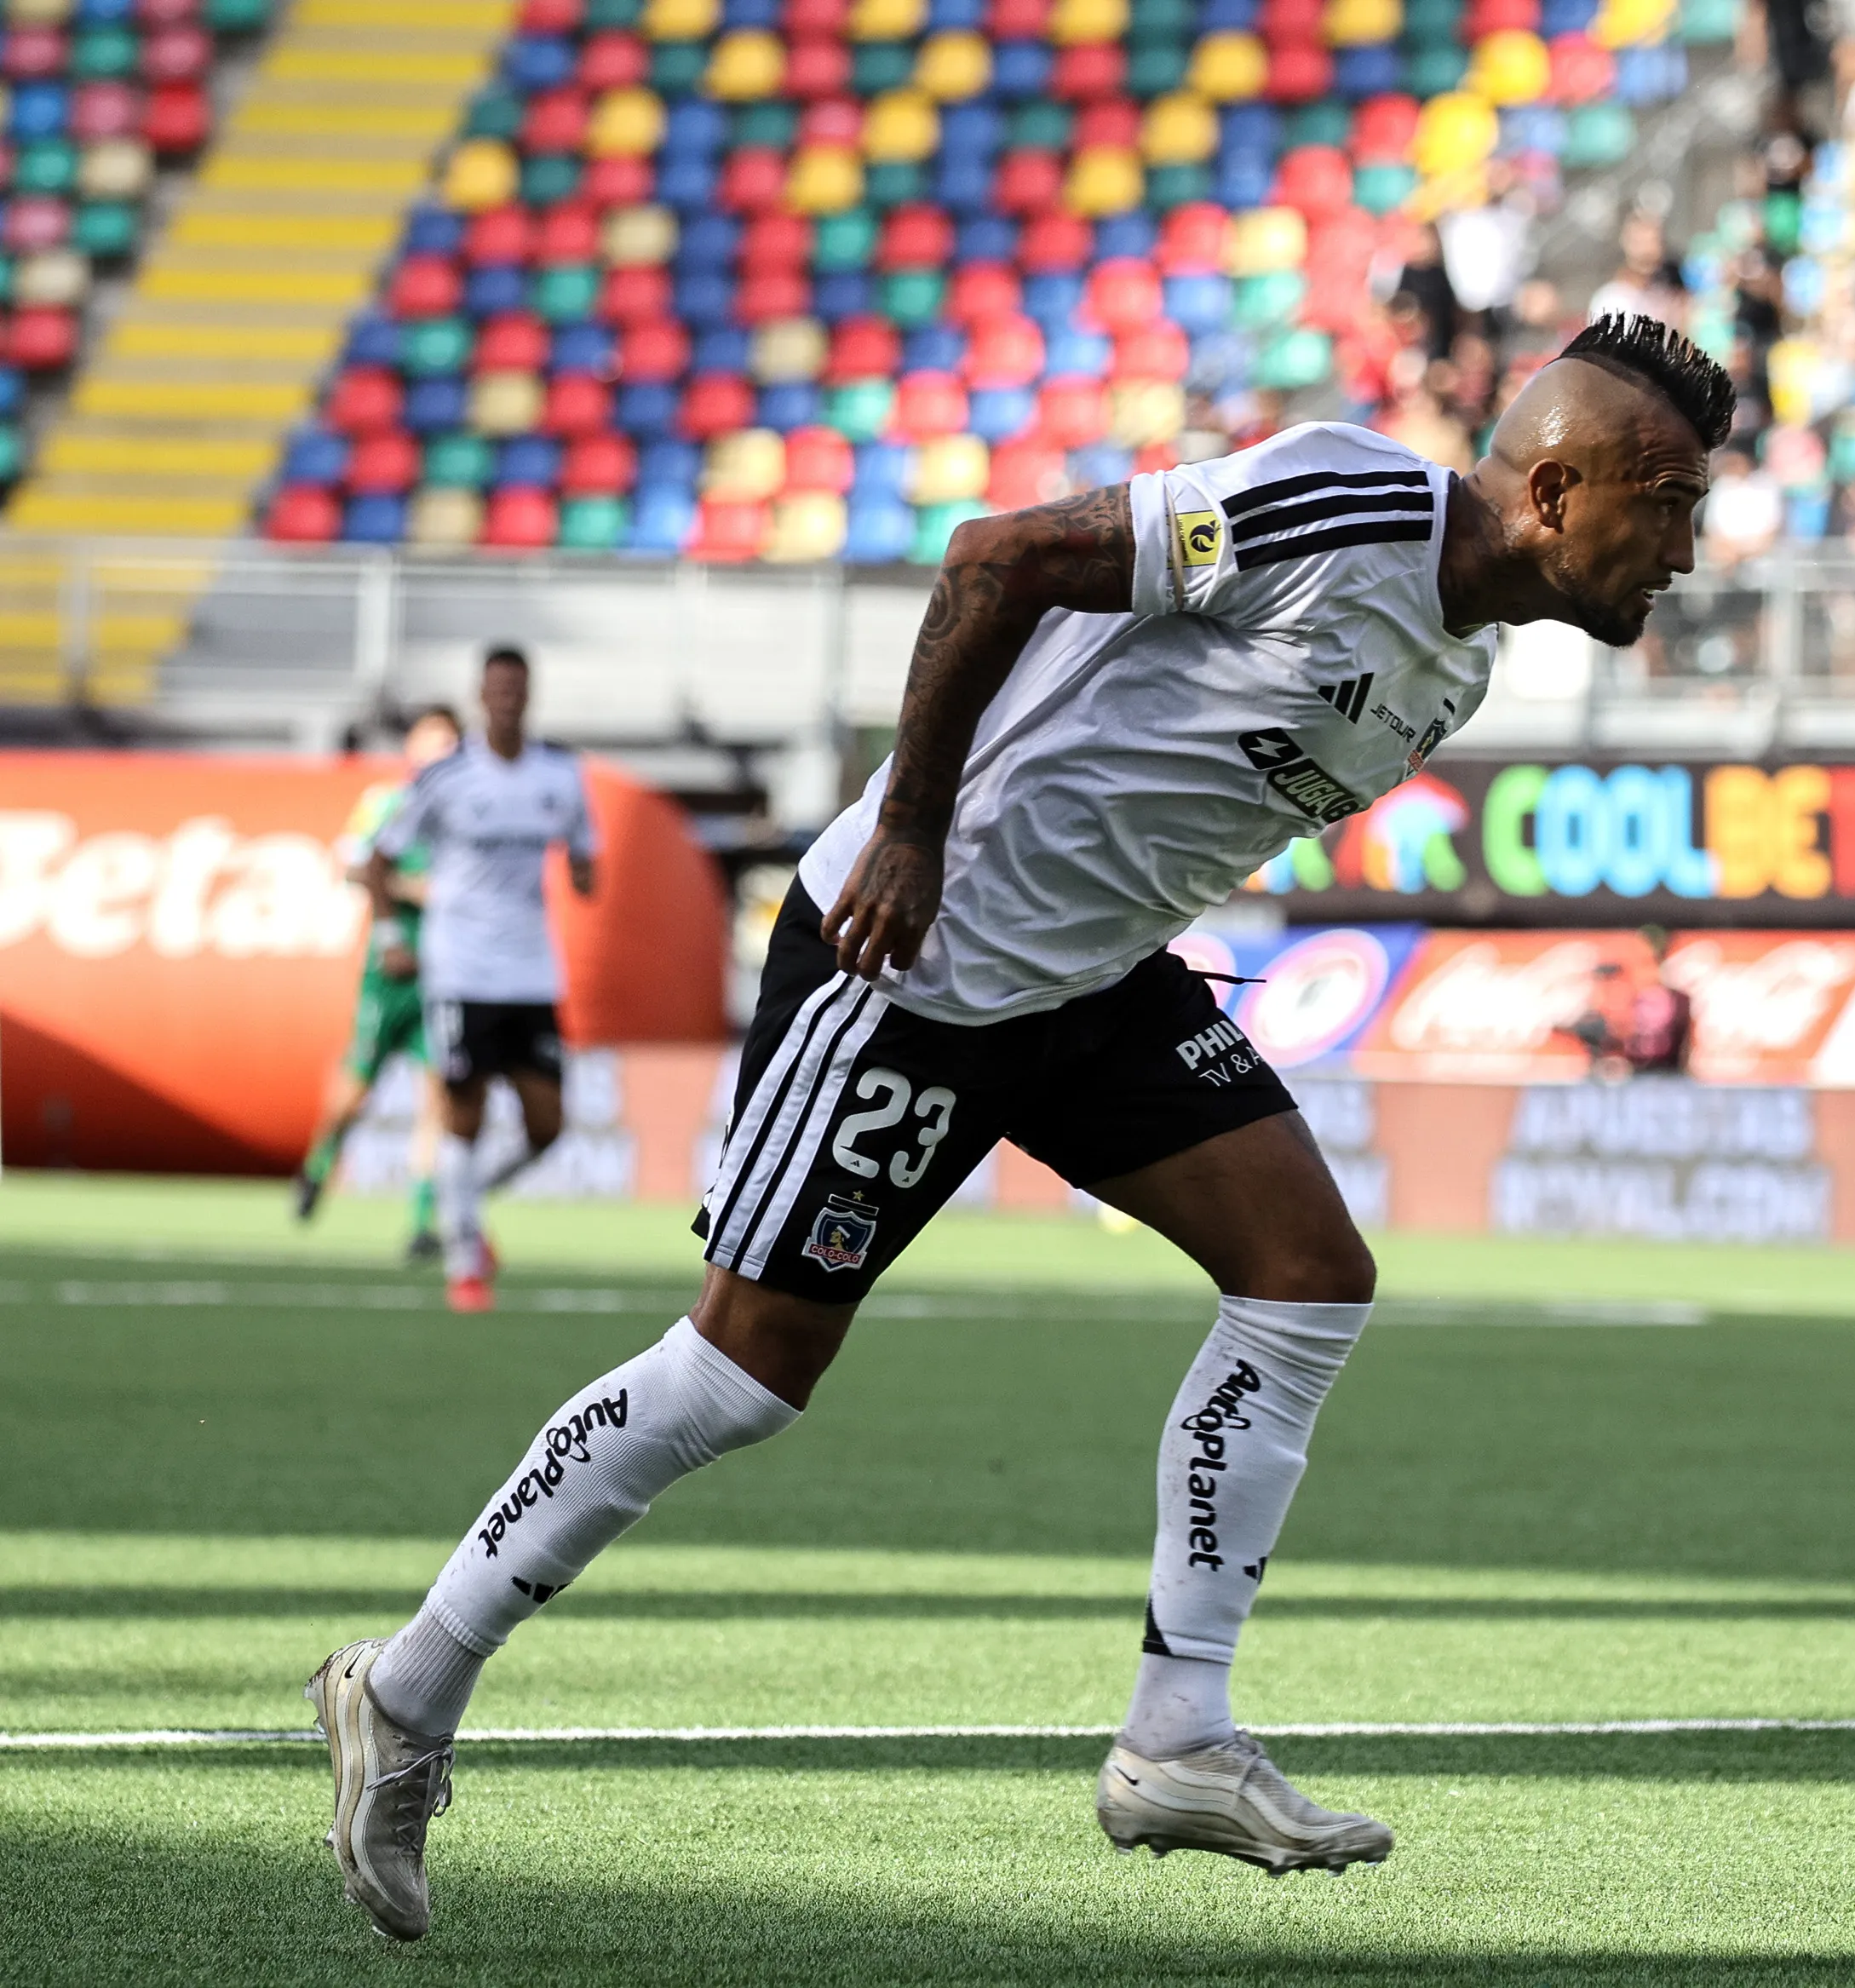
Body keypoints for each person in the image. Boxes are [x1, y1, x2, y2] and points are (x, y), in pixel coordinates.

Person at [305, 313, 1732, 1941]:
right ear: (1553, 489)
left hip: (1095, 983)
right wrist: (910, 821)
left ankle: (1176, 1734)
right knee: (743, 1372)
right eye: (1669, 503)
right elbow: (999, 557)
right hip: (915, 955)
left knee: (1308, 1271)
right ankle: (403, 1687)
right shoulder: (1341, 507)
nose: (1686, 551)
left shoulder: (1457, 665)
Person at [363, 646, 599, 1313]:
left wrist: (585, 873)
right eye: (497, 688)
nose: (507, 699)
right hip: (461, 969)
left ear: (529, 694)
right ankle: (465, 1261)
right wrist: (390, 940)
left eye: (516, 688)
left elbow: (585, 854)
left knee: (548, 1125)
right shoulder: (446, 776)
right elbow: (376, 860)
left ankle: (463, 1205)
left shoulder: (560, 774)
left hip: (530, 972)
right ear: (481, 695)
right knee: (463, 1110)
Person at [295, 705, 462, 1254]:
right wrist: (412, 890)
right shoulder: (385, 802)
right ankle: (320, 1161)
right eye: (430, 739)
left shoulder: (465, 812)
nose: (438, 752)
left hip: (443, 973)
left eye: (449, 742)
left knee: (437, 1098)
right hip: (389, 973)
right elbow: (353, 868)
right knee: (357, 1088)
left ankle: (421, 1222)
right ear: (412, 746)